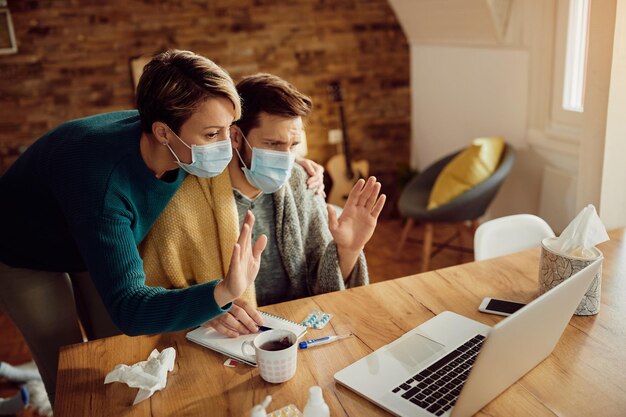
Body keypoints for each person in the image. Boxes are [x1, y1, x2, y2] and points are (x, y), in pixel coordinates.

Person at [0, 50, 322, 404]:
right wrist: (221, 293)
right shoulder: (105, 187)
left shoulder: (184, 142)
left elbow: (248, 157)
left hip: (86, 226)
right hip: (24, 247)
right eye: (213, 134)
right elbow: (130, 310)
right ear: (164, 132)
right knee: (66, 362)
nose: (226, 146)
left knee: (119, 350)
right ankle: (44, 397)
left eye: (228, 131)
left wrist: (293, 163)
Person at [140, 73, 386, 337]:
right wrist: (206, 310)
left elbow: (326, 289)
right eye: (272, 144)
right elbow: (156, 296)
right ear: (235, 136)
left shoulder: (302, 183)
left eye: (293, 145)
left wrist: (349, 249)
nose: (285, 159)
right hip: (228, 338)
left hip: (297, 331)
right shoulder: (182, 202)